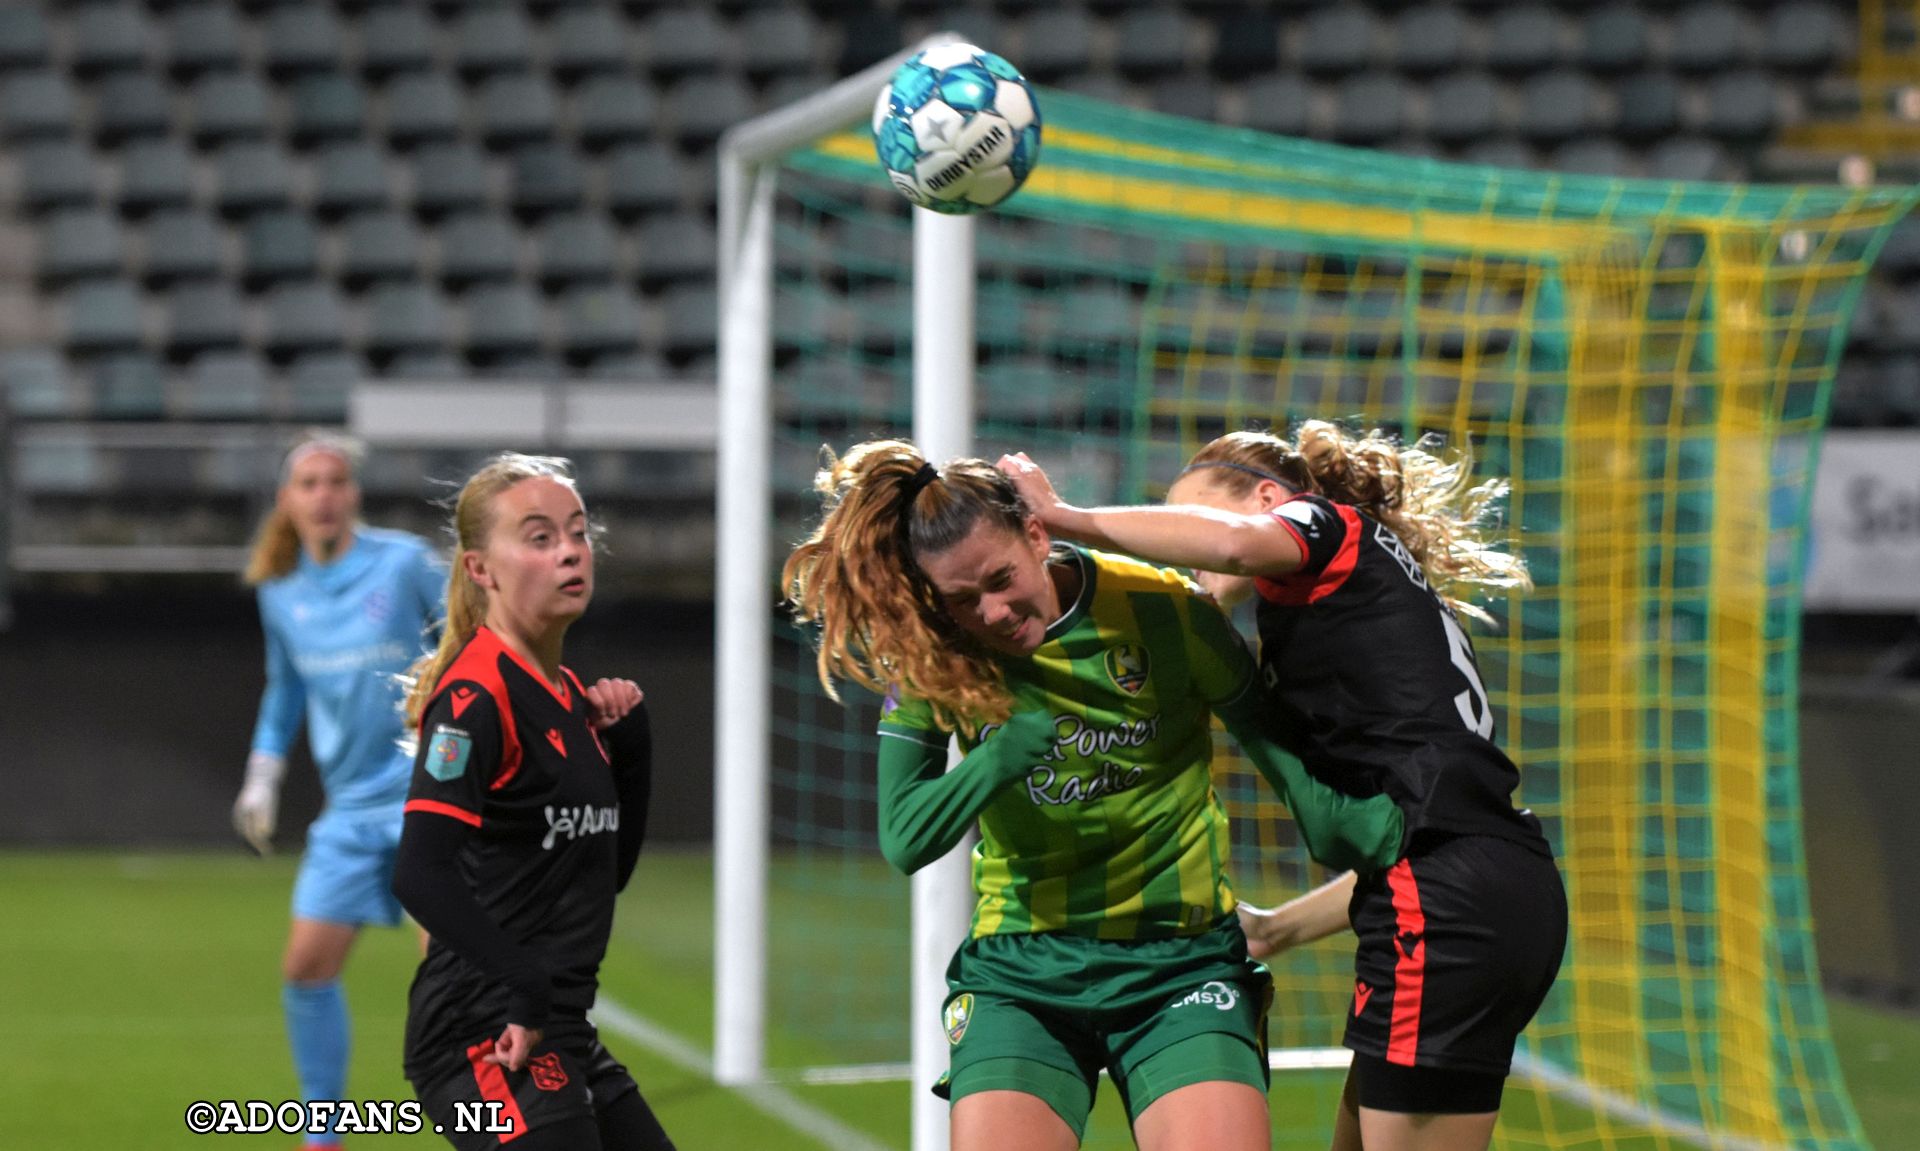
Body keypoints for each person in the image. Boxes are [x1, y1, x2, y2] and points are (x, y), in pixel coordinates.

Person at [781, 439, 1403, 1151]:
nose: (991, 612)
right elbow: (904, 835)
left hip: (1183, 963)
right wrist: (996, 761)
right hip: (1024, 969)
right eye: (961, 599)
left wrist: (1394, 834)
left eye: (1000, 577)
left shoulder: (1167, 611)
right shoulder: (935, 650)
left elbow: (1289, 766)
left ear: (1038, 535)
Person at [997, 422, 1568, 1151]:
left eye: (1190, 511)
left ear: (1269, 498)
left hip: (1451, 910)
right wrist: (1274, 929)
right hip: (1478, 886)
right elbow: (1413, 835)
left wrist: (1068, 517)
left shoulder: (1326, 526)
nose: (1186, 548)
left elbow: (1233, 542)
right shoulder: (1337, 614)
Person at [390, 452, 675, 1151]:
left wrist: (631, 755)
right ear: (479, 568)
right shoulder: (474, 696)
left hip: (558, 1028)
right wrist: (522, 980)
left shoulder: (571, 697)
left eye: (577, 532)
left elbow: (601, 880)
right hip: (484, 1034)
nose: (571, 552)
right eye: (540, 537)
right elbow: (418, 872)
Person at [235, 431, 446, 1151]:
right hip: (350, 810)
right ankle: (322, 1132)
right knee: (306, 967)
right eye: (309, 483)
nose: (324, 495)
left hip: (427, 796)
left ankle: (497, 1121)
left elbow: (476, 640)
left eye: (336, 481)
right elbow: (284, 688)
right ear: (287, 500)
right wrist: (264, 775)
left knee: (448, 971)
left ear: (354, 493)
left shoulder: (405, 562)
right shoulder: (279, 589)